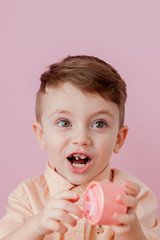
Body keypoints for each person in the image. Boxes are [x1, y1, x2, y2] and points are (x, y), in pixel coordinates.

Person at [0, 55, 159, 240]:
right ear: (42, 135)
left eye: (99, 124)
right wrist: (36, 226)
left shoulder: (133, 198)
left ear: (118, 139)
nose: (81, 138)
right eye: (64, 122)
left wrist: (131, 232)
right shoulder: (28, 197)